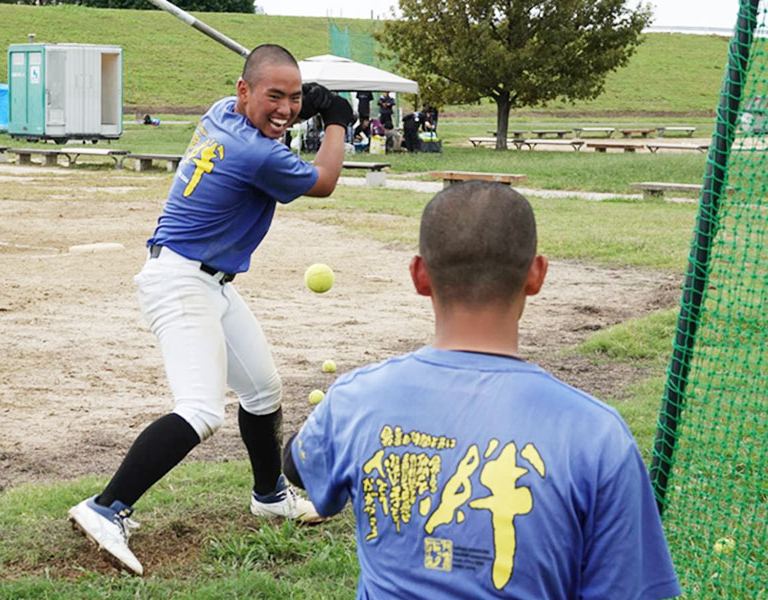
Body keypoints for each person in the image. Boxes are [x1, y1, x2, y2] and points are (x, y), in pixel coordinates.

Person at [283, 181, 682, 599]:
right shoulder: (599, 435)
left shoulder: (355, 399)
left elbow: (296, 468)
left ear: (420, 276)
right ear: (536, 274)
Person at [68, 44, 353, 576]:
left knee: (264, 391)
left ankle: (270, 495)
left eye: (294, 98)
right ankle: (106, 507)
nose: (286, 109)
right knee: (200, 410)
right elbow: (325, 181)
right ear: (244, 91)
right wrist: (335, 119)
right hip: (180, 282)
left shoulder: (221, 112)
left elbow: (269, 123)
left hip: (210, 282)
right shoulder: (258, 155)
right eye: (274, 96)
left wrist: (294, 108)